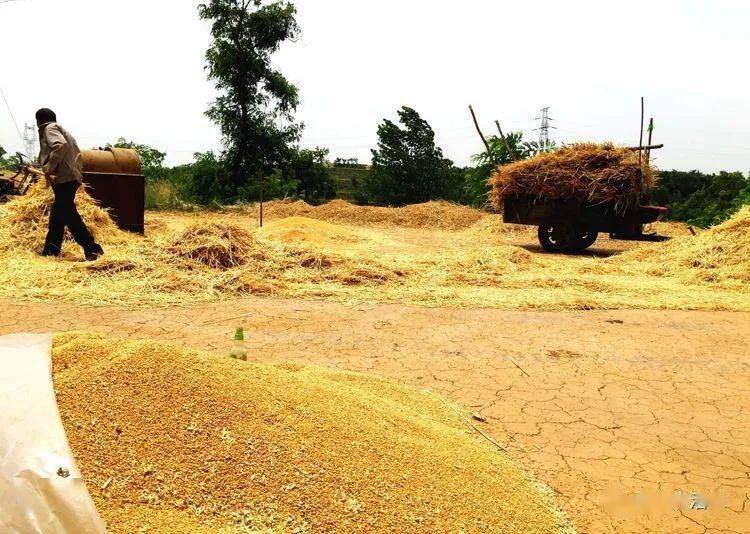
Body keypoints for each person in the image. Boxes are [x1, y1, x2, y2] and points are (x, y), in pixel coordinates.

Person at [36, 108, 104, 261]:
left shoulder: (49, 128)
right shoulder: (61, 129)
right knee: (58, 214)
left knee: (68, 213)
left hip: (64, 179)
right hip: (69, 177)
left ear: (39, 121)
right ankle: (51, 249)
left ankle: (91, 247)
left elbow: (59, 145)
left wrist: (49, 168)